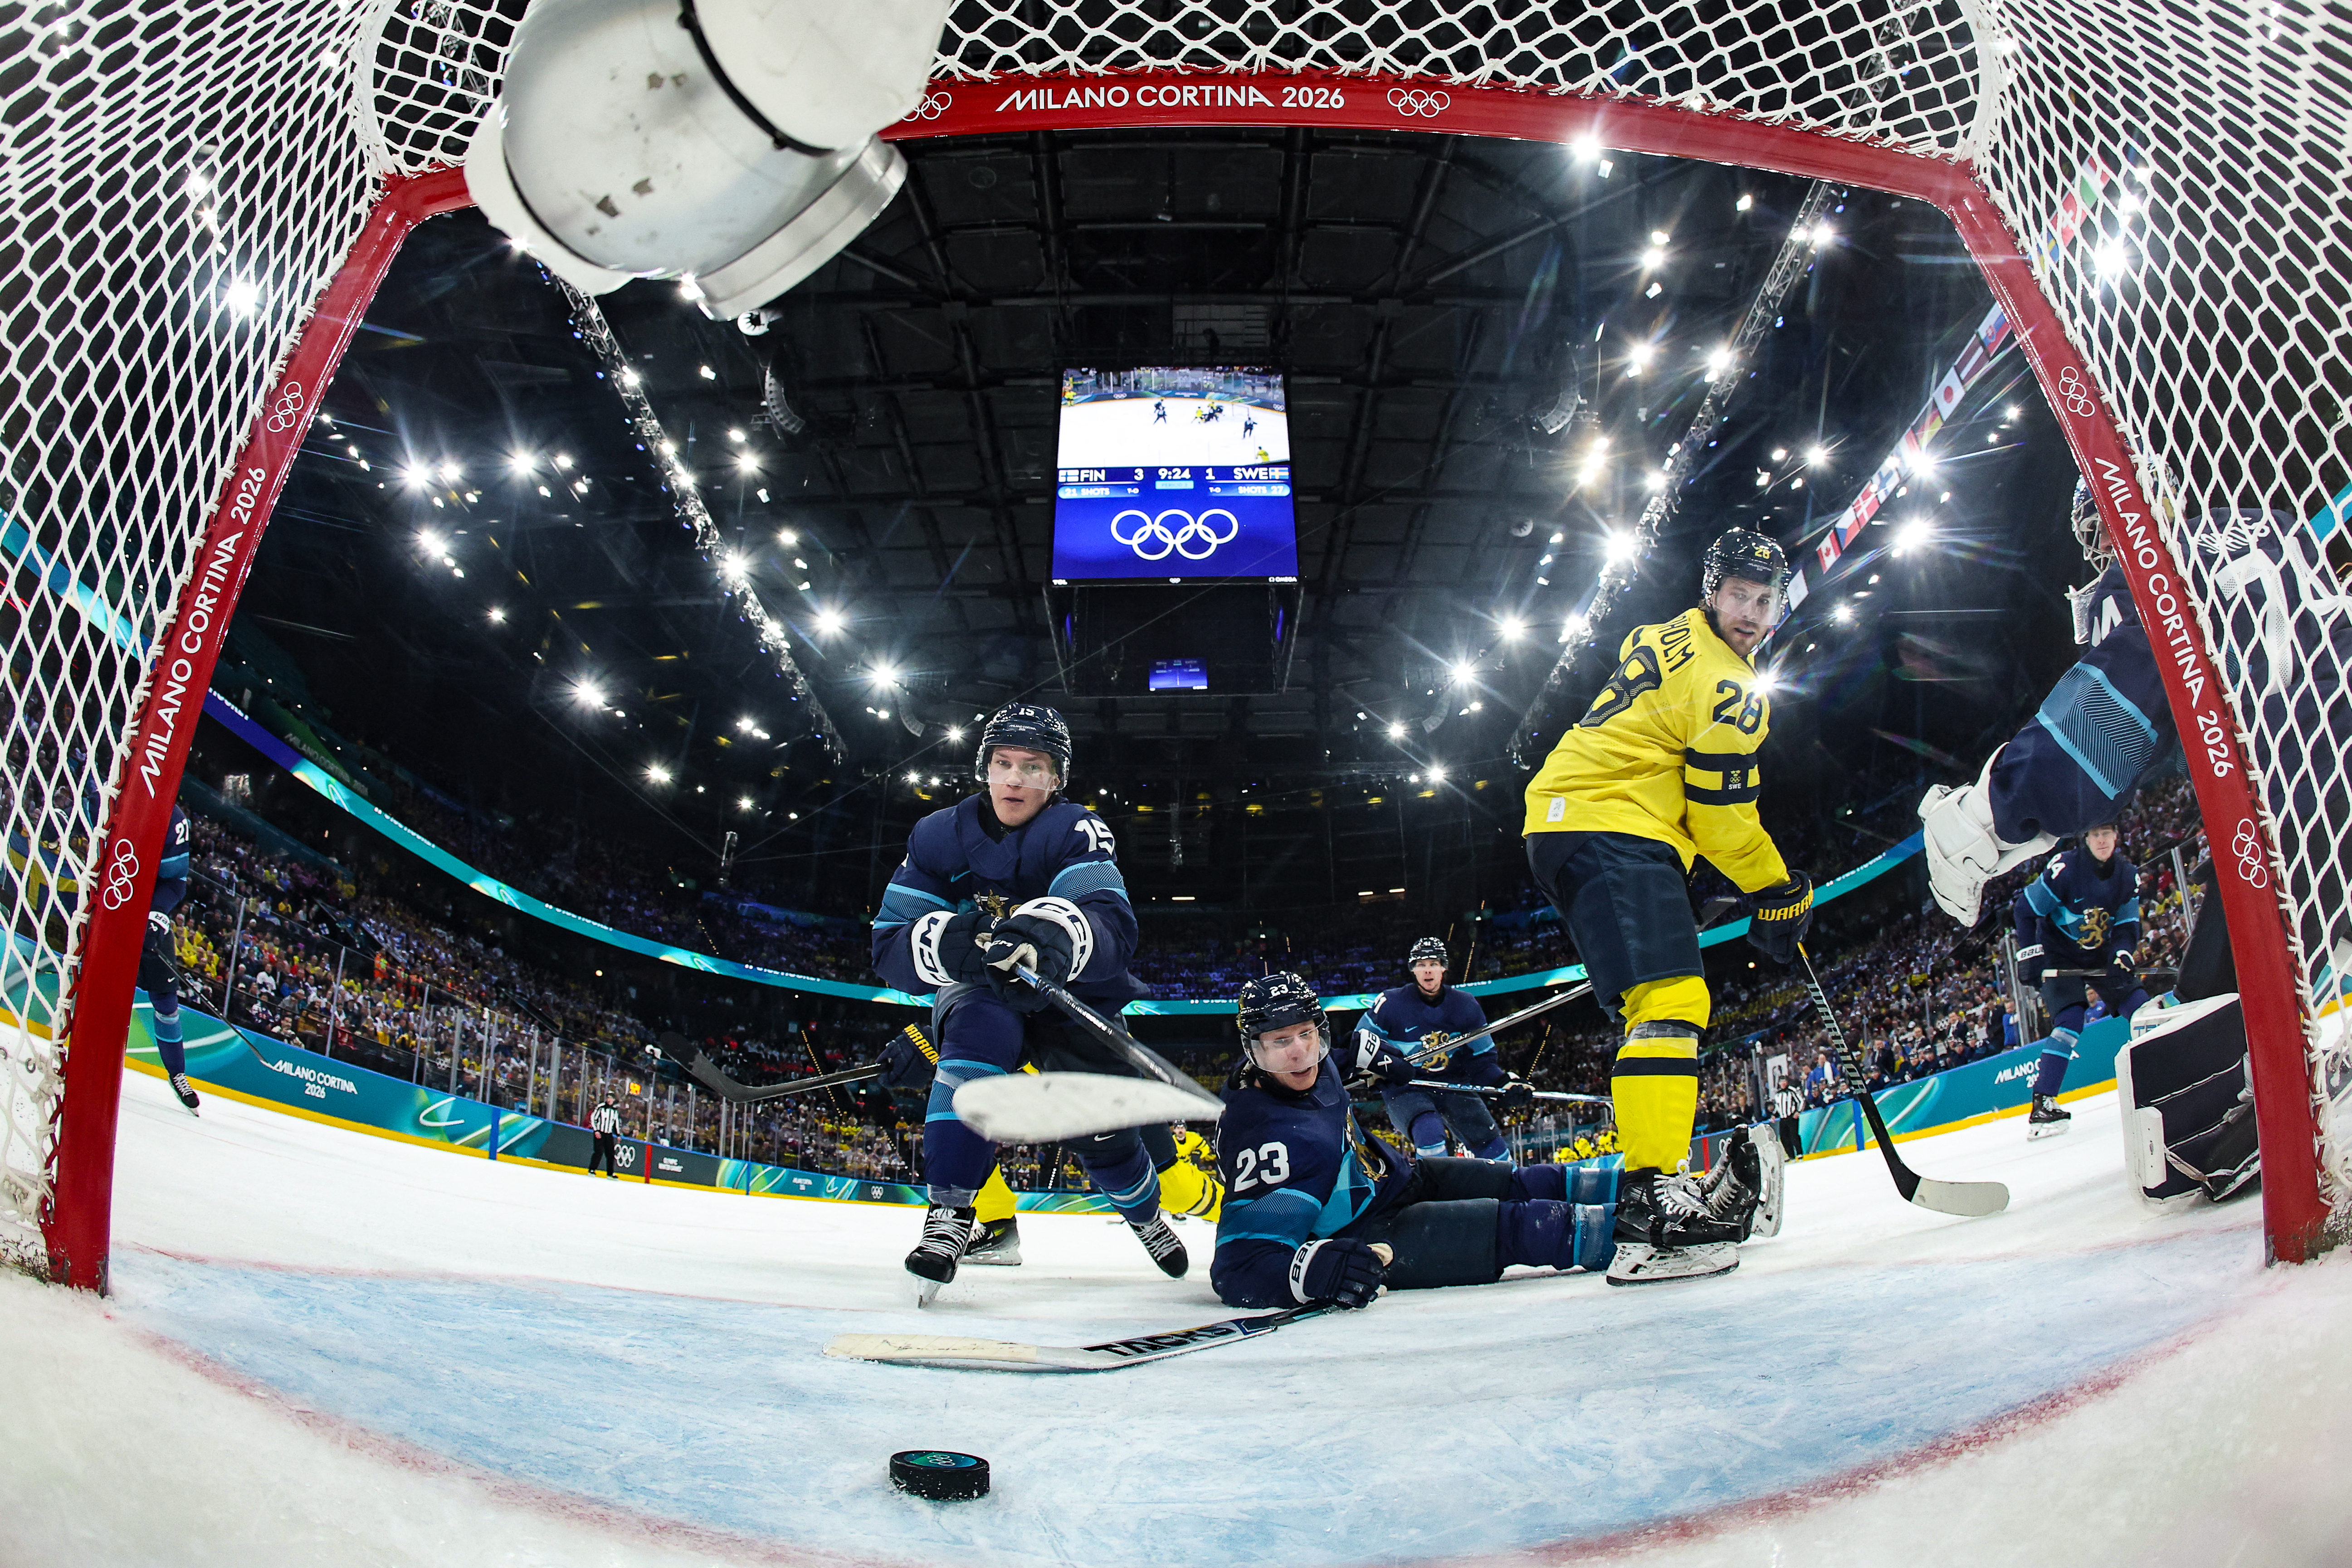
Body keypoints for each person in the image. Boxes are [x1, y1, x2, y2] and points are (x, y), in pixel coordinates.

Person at [1520, 527, 1813, 1284]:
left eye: (1762, 599)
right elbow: (1720, 818)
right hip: (1608, 818)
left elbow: (1663, 739)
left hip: (1579, 817)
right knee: (1671, 997)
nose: (1748, 612)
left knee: (1659, 1006)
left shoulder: (1670, 632)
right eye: (1736, 595)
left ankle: (1659, 1190)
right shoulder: (1730, 687)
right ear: (1711, 590)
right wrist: (1778, 888)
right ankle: (1655, 1209)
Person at [1208, 974, 1781, 1309]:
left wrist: (1370, 1057)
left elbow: (1335, 1059)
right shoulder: (1268, 1140)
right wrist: (1311, 1273)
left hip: (1397, 1184)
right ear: (1253, 1050)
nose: (1299, 1054)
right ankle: (1674, 1235)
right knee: (1518, 1224)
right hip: (1368, 1234)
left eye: (1307, 1035)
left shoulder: (1307, 1062)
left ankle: (1673, 1195)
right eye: (1279, 1042)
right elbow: (1238, 1267)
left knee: (1520, 1181)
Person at [872, 701, 1187, 1304]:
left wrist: (1051, 935)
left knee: (1102, 1136)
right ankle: (952, 1211)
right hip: (986, 993)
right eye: (1004, 763)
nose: (1015, 779)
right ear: (984, 767)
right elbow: (889, 944)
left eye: (1034, 767)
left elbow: (1112, 927)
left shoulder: (1077, 829)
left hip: (1069, 997)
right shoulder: (937, 834)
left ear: (1057, 778)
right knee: (972, 1046)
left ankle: (1144, 1213)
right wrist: (953, 943)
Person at [1920, 481, 2176, 926]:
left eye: (2100, 526)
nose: (2098, 544)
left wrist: (1991, 811)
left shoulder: (2131, 582)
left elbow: (2117, 731)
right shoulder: (2260, 523)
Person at [874, 1020, 1226, 1266]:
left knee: (1172, 1185)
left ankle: (1243, 1214)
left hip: (1090, 1075)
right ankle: (998, 1226)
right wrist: (929, 1043)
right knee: (965, 1122)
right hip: (1028, 1076)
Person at [2010, 820, 2150, 1137]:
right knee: (2070, 1020)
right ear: (2085, 838)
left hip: (2101, 952)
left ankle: (2169, 1073)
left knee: (2141, 1009)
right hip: (2059, 951)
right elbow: (2024, 910)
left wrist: (2123, 955)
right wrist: (2030, 955)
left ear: (2117, 835)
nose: (2102, 840)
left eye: (2107, 833)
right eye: (2096, 834)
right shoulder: (2065, 869)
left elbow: (2127, 927)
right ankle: (2043, 1103)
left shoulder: (2128, 875)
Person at [1357, 937, 1532, 1160]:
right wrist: (1372, 1069)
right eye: (1421, 965)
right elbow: (1360, 1044)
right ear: (1413, 970)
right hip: (1407, 1087)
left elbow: (1482, 1061)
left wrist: (1504, 1083)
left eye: (1434, 964)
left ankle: (1512, 1187)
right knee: (1430, 1136)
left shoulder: (1466, 1004)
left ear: (1444, 968)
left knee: (1491, 1146)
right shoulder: (1389, 1004)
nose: (1428, 971)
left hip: (1454, 1085)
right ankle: (1436, 1191)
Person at [143, 804, 199, 1112]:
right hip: (109, 901)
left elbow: (176, 883)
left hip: (147, 910)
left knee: (166, 999)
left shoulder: (174, 820)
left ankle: (177, 1073)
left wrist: (155, 915)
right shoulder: (106, 795)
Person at [589, 1098, 621, 1177]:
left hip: (609, 1134)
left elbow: (616, 1123)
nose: (610, 1100)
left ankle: (610, 1173)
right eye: (608, 1098)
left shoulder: (615, 1111)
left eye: (611, 1098)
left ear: (614, 1100)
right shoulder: (601, 1107)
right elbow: (593, 1118)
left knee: (611, 1154)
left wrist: (618, 1135)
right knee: (599, 1151)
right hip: (600, 1132)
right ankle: (592, 1169)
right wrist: (596, 1130)